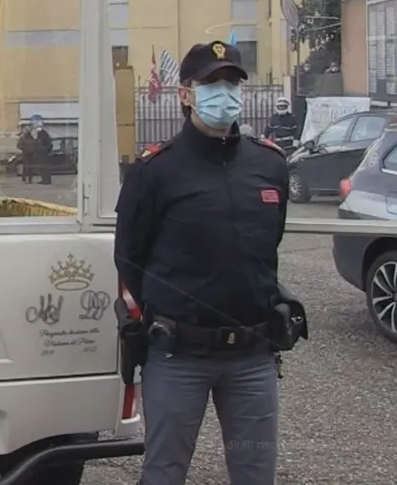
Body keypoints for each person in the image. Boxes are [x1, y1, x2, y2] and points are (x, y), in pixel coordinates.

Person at [113, 41, 290, 485]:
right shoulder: (155, 172)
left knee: (255, 474)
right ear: (185, 94)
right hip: (178, 355)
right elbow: (129, 258)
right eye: (211, 83)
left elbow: (269, 247)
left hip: (252, 357)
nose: (223, 93)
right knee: (164, 473)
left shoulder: (269, 166)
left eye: (231, 83)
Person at [30, 115, 53, 185]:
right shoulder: (42, 134)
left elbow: (48, 143)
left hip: (43, 153)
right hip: (42, 153)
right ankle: (44, 179)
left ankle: (46, 180)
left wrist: (45, 150)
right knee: (42, 168)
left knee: (44, 167)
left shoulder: (43, 134)